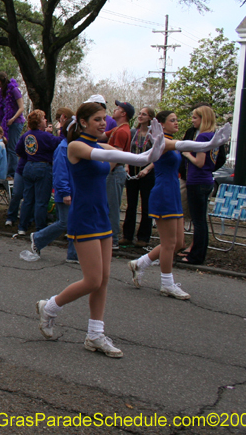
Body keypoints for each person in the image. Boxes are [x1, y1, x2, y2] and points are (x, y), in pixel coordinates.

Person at [36, 102, 164, 358]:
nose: (103, 123)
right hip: (83, 217)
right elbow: (105, 157)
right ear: (83, 121)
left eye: (104, 119)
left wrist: (152, 152)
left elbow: (134, 158)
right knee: (92, 279)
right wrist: (131, 155)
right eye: (97, 119)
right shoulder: (76, 146)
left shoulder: (101, 145)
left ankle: (95, 334)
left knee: (103, 280)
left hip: (102, 217)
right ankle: (49, 307)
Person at [127, 112, 230, 299]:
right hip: (164, 193)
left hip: (173, 192)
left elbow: (161, 157)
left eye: (176, 119)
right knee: (169, 244)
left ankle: (140, 263)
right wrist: (209, 144)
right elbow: (183, 146)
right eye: (172, 120)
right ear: (162, 124)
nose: (177, 123)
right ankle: (167, 284)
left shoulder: (168, 142)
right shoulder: (164, 142)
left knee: (179, 243)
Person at [25, 109, 78, 261]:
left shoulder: (28, 135)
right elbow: (60, 171)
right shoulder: (62, 147)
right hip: (64, 189)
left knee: (73, 222)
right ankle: (39, 236)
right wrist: (65, 191)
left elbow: (19, 150)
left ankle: (74, 254)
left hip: (33, 168)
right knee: (64, 222)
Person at [177, 105, 219, 265]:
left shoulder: (202, 137)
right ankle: (197, 253)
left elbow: (200, 162)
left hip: (197, 181)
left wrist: (188, 153)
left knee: (199, 221)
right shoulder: (213, 136)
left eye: (195, 117)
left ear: (203, 119)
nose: (192, 121)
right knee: (201, 220)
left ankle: (196, 256)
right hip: (207, 180)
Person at [16, 110, 62, 234]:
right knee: (41, 201)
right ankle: (40, 229)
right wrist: (61, 129)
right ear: (38, 122)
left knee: (28, 199)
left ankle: (22, 227)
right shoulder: (45, 136)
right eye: (43, 118)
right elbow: (60, 142)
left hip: (28, 166)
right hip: (43, 167)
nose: (45, 120)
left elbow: (18, 149)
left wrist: (28, 156)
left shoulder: (26, 136)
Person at [120, 107, 156, 248]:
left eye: (144, 114)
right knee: (131, 204)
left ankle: (143, 237)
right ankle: (127, 235)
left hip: (147, 172)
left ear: (150, 118)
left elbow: (157, 155)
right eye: (139, 114)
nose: (140, 116)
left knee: (146, 205)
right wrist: (127, 165)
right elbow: (127, 151)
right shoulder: (133, 133)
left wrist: (147, 169)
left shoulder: (153, 135)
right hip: (133, 171)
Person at [104, 100, 135, 249]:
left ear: (123, 114)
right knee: (108, 205)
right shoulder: (118, 129)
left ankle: (114, 239)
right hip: (114, 172)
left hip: (115, 172)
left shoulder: (122, 131)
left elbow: (116, 156)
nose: (114, 110)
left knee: (113, 206)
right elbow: (102, 136)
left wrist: (104, 171)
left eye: (117, 109)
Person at [0, 72, 25, 178]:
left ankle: (12, 173)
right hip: (6, 122)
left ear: (0, 81)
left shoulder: (14, 90)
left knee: (12, 147)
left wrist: (13, 118)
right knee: (5, 146)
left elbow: (21, 108)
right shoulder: (2, 92)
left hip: (16, 122)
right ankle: (5, 170)